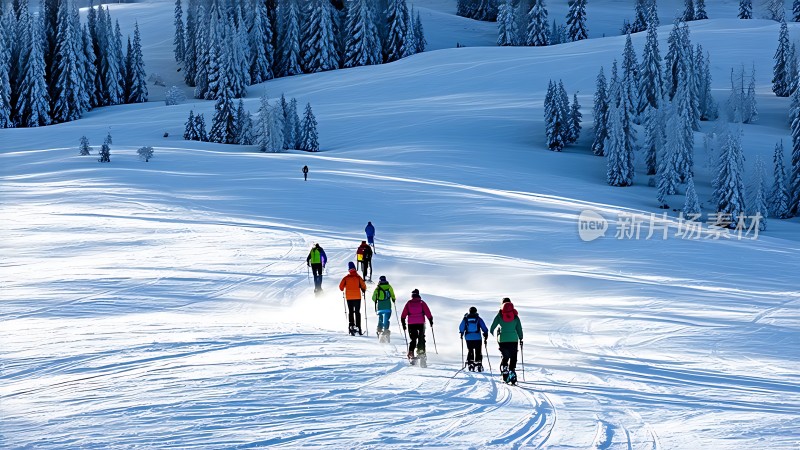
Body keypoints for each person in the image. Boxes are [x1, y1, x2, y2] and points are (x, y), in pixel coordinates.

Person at [490, 298, 523, 385]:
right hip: (513, 339)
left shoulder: (499, 315)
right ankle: (512, 370)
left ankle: (505, 368)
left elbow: (492, 326)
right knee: (513, 355)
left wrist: (492, 332)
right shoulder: (515, 316)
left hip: (502, 339)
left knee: (505, 355)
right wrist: (521, 338)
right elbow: (519, 328)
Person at [401, 289, 433, 365]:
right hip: (421, 323)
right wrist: (430, 320)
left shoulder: (409, 303)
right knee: (421, 338)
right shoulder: (422, 303)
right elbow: (428, 312)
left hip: (411, 324)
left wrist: (403, 324)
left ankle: (411, 353)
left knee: (413, 338)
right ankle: (421, 352)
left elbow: (403, 315)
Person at [339, 261, 367, 335]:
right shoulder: (358, 277)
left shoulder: (346, 278)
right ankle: (358, 327)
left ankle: (351, 325)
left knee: (350, 311)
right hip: (357, 297)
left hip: (349, 298)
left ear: (349, 270)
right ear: (355, 269)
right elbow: (364, 286)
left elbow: (341, 287)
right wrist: (363, 290)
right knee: (357, 312)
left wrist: (345, 287)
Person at [459, 306, 489, 372]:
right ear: (476, 311)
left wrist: (461, 333)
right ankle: (478, 363)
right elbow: (483, 327)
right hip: (477, 337)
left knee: (470, 350)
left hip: (468, 337)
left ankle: (470, 363)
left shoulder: (466, 318)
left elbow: (461, 327)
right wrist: (485, 333)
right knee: (478, 350)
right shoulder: (478, 318)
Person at [371, 275, 396, 342]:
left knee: (380, 318)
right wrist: (393, 299)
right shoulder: (389, 287)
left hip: (380, 307)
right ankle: (386, 330)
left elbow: (373, 298)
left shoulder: (377, 288)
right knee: (386, 319)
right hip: (388, 307)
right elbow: (392, 294)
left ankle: (379, 330)